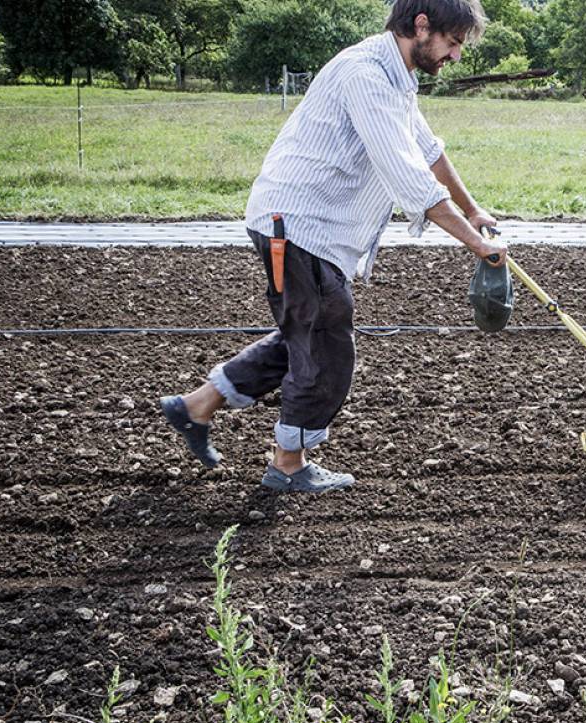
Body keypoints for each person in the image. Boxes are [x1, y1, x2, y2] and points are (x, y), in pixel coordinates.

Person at [159, 0, 506, 493]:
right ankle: (287, 464)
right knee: (324, 348)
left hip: (308, 228)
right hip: (299, 226)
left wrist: (473, 210)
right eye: (452, 44)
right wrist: (476, 245)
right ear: (422, 25)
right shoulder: (365, 75)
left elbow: (428, 151)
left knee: (305, 332)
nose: (454, 57)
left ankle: (195, 407)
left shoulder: (395, 77)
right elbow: (409, 179)